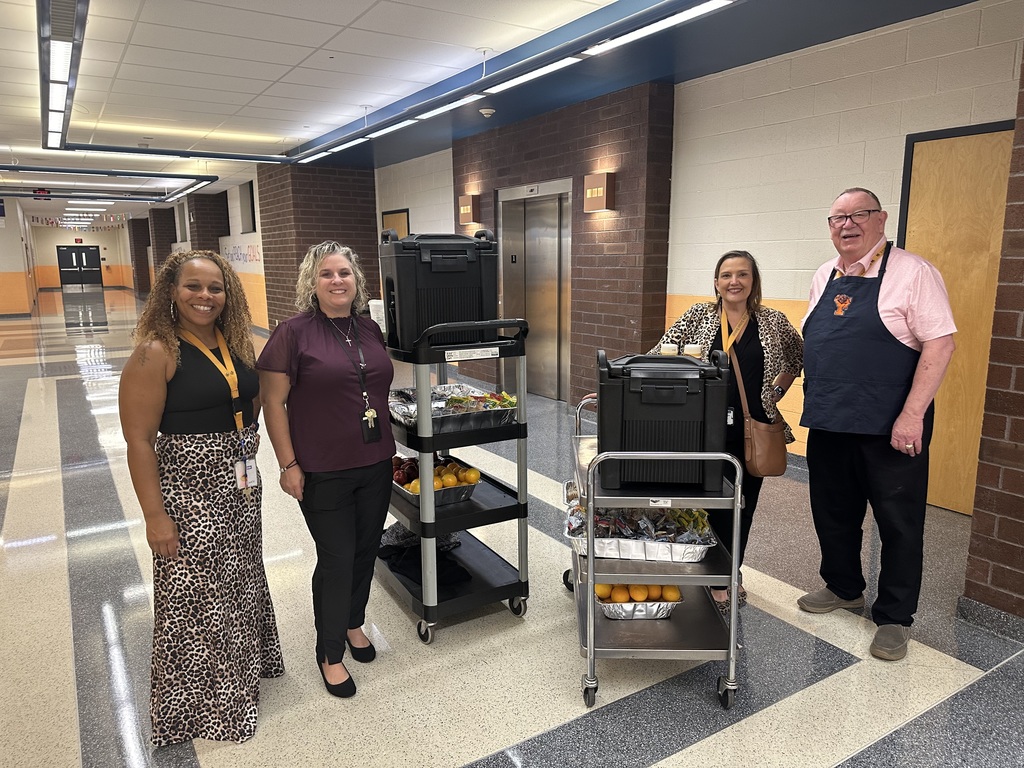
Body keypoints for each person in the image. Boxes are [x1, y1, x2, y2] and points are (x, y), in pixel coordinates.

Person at [119, 250, 284, 746]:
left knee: (239, 580)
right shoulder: (156, 351)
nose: (205, 296)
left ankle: (242, 675)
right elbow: (140, 441)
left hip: (238, 488)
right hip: (189, 493)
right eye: (193, 286)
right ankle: (199, 706)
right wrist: (155, 516)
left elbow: (247, 399)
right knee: (195, 595)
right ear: (171, 291)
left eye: (215, 288)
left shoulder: (233, 342)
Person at [798, 187, 956, 662]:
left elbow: (940, 345)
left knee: (899, 526)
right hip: (830, 422)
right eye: (837, 217)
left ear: (881, 219)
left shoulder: (914, 273)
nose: (847, 225)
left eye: (858, 214)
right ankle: (843, 587)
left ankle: (893, 617)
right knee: (833, 515)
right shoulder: (824, 275)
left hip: (891, 430)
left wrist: (912, 416)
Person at [257, 241, 395, 699]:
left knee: (365, 550)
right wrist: (288, 464)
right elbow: (273, 403)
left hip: (375, 461)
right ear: (311, 283)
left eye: (345, 273)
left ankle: (354, 623)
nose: (337, 281)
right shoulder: (292, 333)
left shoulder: (369, 328)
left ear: (356, 280)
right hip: (321, 468)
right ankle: (329, 650)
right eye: (326, 274)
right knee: (337, 557)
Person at [651, 250, 803, 613]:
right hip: (700, 430)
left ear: (753, 281)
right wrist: (619, 382)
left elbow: (799, 356)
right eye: (726, 275)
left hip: (751, 433)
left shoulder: (772, 321)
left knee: (740, 507)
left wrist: (777, 390)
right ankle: (699, 569)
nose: (734, 282)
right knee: (700, 506)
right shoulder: (698, 316)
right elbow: (659, 354)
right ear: (716, 282)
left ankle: (727, 576)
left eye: (743, 275)